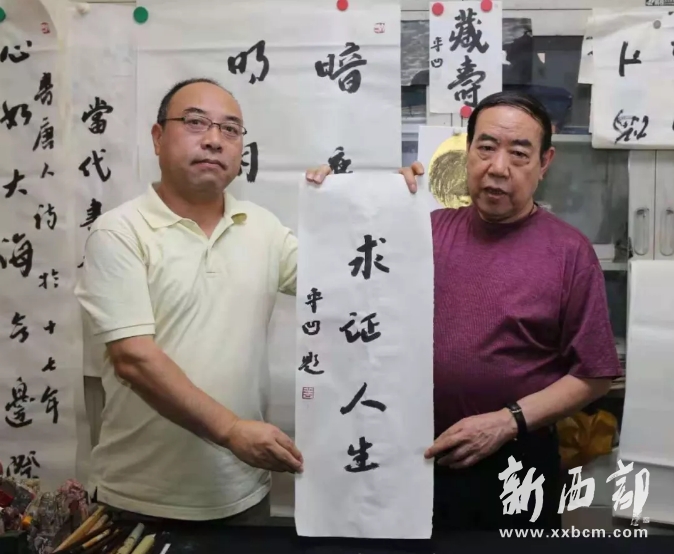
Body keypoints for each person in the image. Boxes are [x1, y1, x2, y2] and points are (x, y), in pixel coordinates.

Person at [74, 77, 415, 524]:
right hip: (140, 499)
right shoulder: (120, 232)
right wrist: (231, 430)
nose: (214, 140)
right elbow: (134, 359)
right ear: (158, 138)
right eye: (195, 122)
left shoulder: (262, 228)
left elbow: (348, 280)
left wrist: (380, 205)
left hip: (243, 490)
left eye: (230, 129)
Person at [307, 90, 623, 531]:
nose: (498, 167)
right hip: (412, 457)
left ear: (544, 163)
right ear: (468, 152)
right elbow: (347, 289)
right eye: (486, 147)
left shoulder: (570, 253)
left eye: (519, 153)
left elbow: (594, 374)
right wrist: (342, 200)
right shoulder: (424, 232)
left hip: (517, 460)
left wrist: (507, 422)